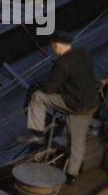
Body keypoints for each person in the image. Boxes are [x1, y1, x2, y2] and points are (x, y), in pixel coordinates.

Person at [19, 30, 100, 182]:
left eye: (52, 46)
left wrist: (39, 85)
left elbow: (50, 89)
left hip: (74, 105)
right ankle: (71, 175)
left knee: (37, 97)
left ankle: (37, 133)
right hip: (91, 102)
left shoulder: (62, 64)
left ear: (56, 45)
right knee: (77, 141)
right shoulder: (83, 53)